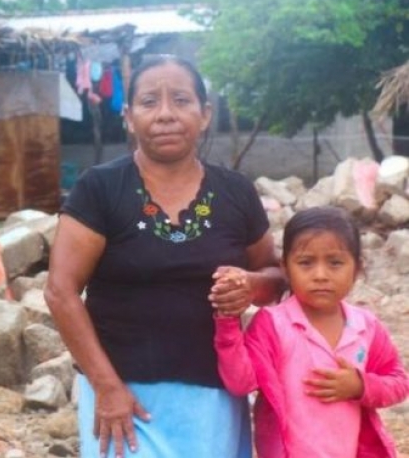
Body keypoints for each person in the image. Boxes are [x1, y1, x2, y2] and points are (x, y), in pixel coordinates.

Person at [45, 55, 285, 458]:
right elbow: (60, 291)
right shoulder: (100, 189)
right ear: (128, 117)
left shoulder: (236, 192)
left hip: (212, 402)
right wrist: (106, 387)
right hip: (123, 400)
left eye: (181, 100)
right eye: (149, 101)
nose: (166, 114)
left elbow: (276, 275)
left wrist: (252, 285)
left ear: (204, 114)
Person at [215, 206, 409, 457]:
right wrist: (228, 323)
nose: (320, 275)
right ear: (285, 268)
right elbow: (241, 382)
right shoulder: (273, 325)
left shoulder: (365, 327)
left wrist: (361, 386)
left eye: (335, 263)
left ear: (357, 268)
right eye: (306, 263)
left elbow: (399, 382)